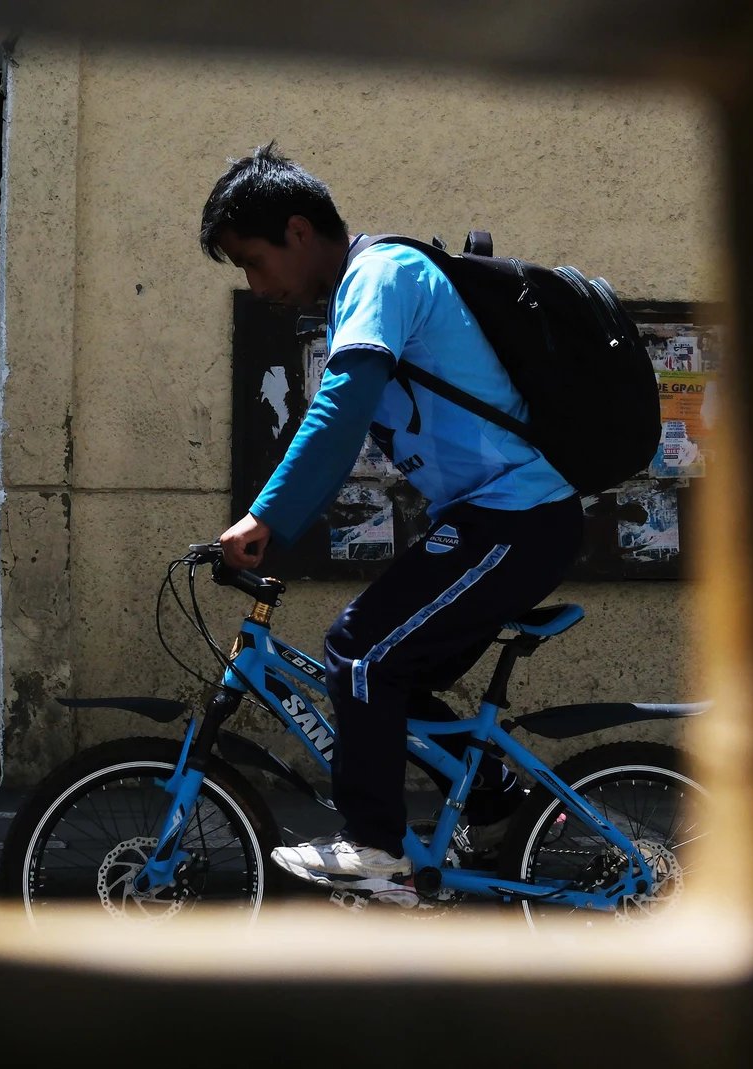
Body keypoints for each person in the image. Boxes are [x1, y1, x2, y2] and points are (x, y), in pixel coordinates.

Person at [202, 143, 583, 907]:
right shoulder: (362, 294)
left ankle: (376, 848)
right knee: (384, 672)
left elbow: (340, 410)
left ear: (299, 231)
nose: (257, 285)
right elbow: (336, 440)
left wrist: (265, 519)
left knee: (360, 652)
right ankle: (496, 797)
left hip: (518, 515)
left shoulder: (381, 275)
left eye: (252, 260)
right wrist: (281, 525)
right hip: (492, 520)